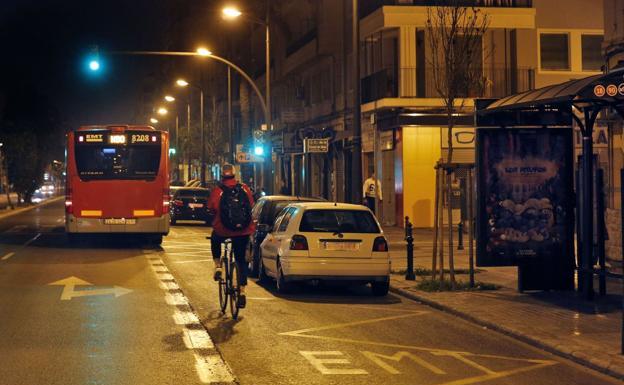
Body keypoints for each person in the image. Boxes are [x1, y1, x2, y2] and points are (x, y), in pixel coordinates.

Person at [207, 163, 255, 308]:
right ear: (235, 175)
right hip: (243, 231)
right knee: (241, 260)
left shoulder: (218, 191)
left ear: (222, 176)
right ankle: (242, 291)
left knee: (215, 239)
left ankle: (218, 267)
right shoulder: (245, 189)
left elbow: (211, 207)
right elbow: (251, 204)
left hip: (223, 229)